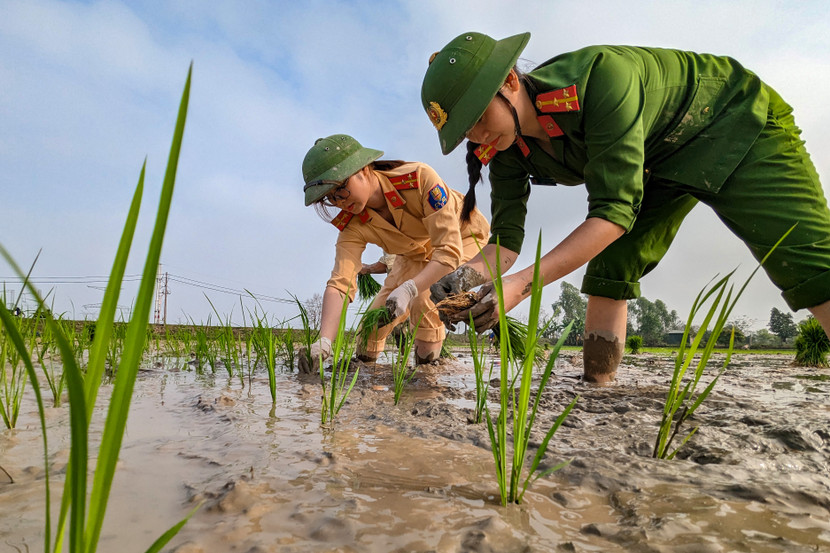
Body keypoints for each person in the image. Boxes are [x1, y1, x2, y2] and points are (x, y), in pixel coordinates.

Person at [420, 32, 830, 383]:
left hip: (729, 123)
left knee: (807, 260)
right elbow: (506, 245)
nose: (476, 135)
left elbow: (612, 211)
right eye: (464, 132)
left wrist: (520, 286)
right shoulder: (505, 150)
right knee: (608, 272)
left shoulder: (601, 79)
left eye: (477, 116)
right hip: (652, 167)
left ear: (509, 80)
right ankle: (597, 392)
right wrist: (465, 275)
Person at [297, 134, 489, 373]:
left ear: (364, 169)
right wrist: (324, 341)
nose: (339, 202)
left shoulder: (418, 179)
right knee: (373, 323)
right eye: (330, 197)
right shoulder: (353, 224)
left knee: (423, 299)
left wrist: (409, 289)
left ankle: (426, 376)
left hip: (463, 239)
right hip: (413, 253)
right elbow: (340, 283)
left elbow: (448, 252)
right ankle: (367, 374)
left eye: (341, 189)